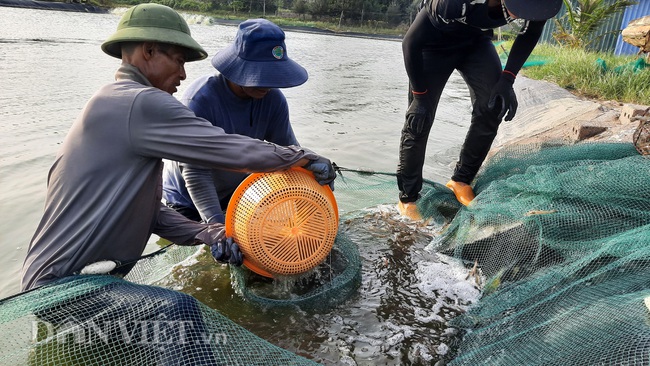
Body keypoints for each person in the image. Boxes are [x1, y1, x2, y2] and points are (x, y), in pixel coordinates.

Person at [20, 3, 335, 292]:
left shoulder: (114, 101)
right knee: (181, 310)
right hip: (61, 286)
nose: (184, 74)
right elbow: (226, 151)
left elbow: (147, 210)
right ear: (149, 51)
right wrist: (303, 157)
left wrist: (207, 233)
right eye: (179, 61)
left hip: (64, 281)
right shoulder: (143, 102)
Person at [396, 0, 562, 219]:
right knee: (420, 118)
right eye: (520, 9)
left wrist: (507, 79)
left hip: (475, 42)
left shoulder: (541, 4)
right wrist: (419, 96)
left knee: (493, 105)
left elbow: (530, 34)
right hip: (433, 42)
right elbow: (410, 43)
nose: (525, 14)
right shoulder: (452, 4)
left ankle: (461, 180)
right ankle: (408, 198)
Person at [163, 18, 307, 224]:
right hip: (187, 199)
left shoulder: (273, 100)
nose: (267, 85)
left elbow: (288, 153)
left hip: (234, 196)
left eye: (272, 76)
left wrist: (309, 166)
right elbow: (196, 173)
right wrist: (216, 226)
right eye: (260, 75)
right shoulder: (200, 100)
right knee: (208, 247)